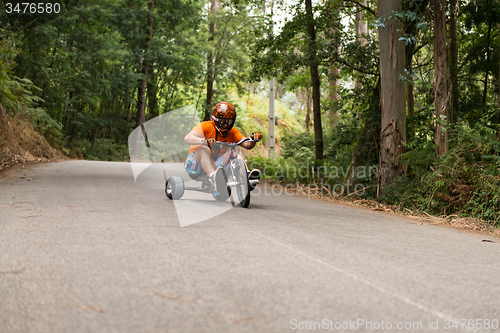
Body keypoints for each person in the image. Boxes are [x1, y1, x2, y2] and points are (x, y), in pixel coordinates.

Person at [184, 102, 263, 194]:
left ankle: (247, 177)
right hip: (196, 166)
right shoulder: (206, 126)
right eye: (224, 121)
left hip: (215, 166)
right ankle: (214, 178)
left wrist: (253, 140)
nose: (226, 125)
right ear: (216, 120)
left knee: (233, 153)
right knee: (205, 149)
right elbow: (187, 138)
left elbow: (246, 145)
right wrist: (204, 141)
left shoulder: (232, 132)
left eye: (229, 121)